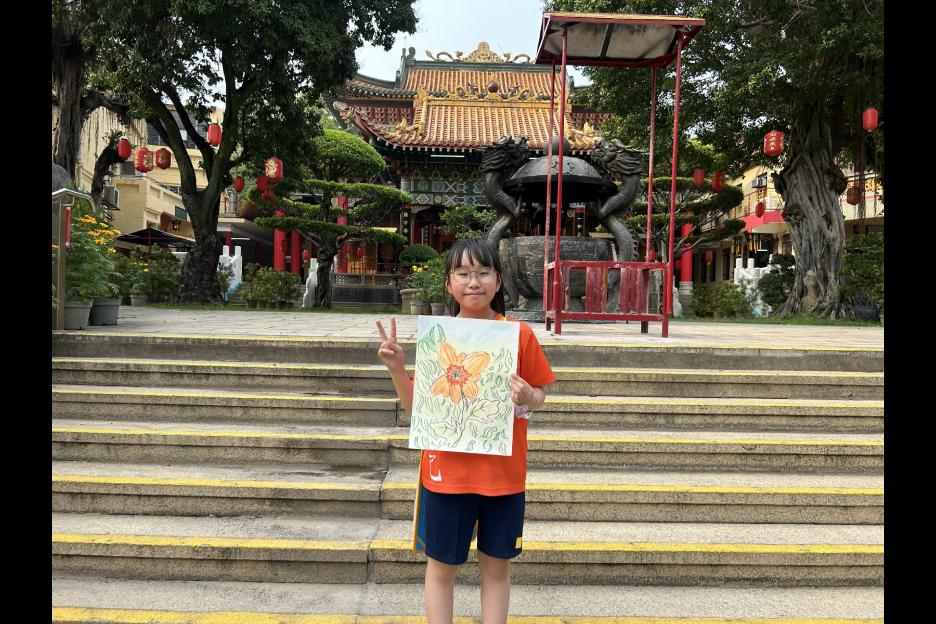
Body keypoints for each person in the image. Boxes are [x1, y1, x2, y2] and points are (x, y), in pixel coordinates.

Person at [375, 239, 555, 624]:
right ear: (449, 283)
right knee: (442, 567)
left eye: (484, 273)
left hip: (502, 475)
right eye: (463, 273)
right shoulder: (439, 338)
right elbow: (419, 411)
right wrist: (397, 369)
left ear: (498, 281)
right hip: (447, 475)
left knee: (497, 567)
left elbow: (539, 393)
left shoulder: (518, 334)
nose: (474, 282)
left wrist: (529, 396)